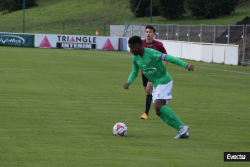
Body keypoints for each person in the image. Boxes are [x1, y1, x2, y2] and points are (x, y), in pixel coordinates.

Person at [123, 36, 194, 139]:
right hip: (156, 83)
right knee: (158, 111)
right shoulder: (135, 57)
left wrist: (185, 65)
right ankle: (181, 131)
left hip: (164, 80)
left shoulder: (151, 53)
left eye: (131, 48)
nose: (130, 51)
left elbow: (169, 58)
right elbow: (134, 71)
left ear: (137, 46)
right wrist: (128, 82)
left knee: (157, 105)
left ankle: (182, 126)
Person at [141, 25, 167, 120]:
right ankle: (161, 105)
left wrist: (162, 67)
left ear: (153, 34)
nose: (148, 34)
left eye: (150, 32)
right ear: (145, 33)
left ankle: (145, 113)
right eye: (147, 32)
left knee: (149, 88)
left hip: (154, 72)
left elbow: (165, 57)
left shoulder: (158, 45)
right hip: (144, 73)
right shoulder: (141, 43)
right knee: (149, 93)